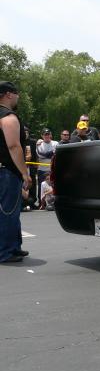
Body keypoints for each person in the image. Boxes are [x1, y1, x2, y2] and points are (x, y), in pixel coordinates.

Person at [0, 81, 32, 263]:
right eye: (16, 93)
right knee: (8, 212)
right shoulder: (8, 117)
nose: (18, 97)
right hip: (6, 172)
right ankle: (6, 252)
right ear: (8, 94)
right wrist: (24, 173)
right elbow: (13, 146)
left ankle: (13, 246)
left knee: (10, 211)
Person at [35, 128, 57, 204]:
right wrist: (51, 154)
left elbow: (55, 154)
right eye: (45, 134)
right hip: (42, 169)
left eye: (48, 134)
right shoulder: (39, 144)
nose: (47, 136)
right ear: (42, 135)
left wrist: (49, 155)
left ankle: (53, 202)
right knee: (41, 187)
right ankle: (41, 204)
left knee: (53, 187)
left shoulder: (56, 143)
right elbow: (41, 155)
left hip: (52, 169)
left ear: (50, 135)